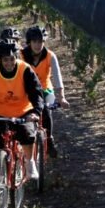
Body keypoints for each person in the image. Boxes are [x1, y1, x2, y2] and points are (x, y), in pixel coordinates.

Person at [0, 39, 45, 191]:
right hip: (2, 114)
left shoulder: (25, 70)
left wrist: (35, 112)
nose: (9, 63)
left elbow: (36, 93)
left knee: (27, 133)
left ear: (16, 57)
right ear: (0, 59)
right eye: (5, 60)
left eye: (12, 59)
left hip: (24, 112)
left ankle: (29, 162)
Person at [21, 25, 69, 157]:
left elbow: (57, 77)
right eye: (35, 41)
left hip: (45, 89)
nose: (38, 45)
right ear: (29, 42)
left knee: (47, 110)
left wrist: (61, 97)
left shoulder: (50, 56)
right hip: (27, 90)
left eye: (41, 41)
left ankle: (49, 139)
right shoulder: (21, 56)